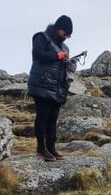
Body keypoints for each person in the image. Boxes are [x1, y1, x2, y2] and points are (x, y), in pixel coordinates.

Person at [27, 15, 76, 161]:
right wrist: (58, 56)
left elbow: (61, 61)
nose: (66, 37)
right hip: (41, 85)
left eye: (68, 35)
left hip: (57, 87)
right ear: (58, 28)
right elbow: (38, 54)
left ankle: (51, 147)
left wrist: (68, 61)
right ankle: (41, 148)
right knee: (43, 117)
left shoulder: (63, 46)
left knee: (53, 119)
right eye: (65, 33)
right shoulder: (40, 37)